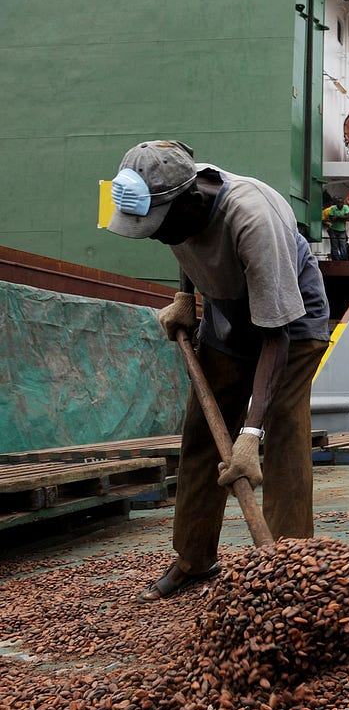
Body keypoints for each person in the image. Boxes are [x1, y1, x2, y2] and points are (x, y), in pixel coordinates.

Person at [105, 140, 330, 599]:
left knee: (284, 430)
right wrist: (186, 297)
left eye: (159, 227)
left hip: (292, 321)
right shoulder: (173, 194)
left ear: (190, 201)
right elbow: (186, 246)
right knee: (201, 436)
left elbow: (276, 336)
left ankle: (289, 566)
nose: (157, 236)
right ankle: (194, 558)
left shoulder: (252, 219)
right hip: (228, 312)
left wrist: (250, 435)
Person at [322, 194, 349, 261]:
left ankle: (344, 259)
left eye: (341, 202)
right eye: (338, 202)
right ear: (336, 203)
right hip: (333, 229)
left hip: (342, 230)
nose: (340, 204)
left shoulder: (346, 207)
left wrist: (338, 217)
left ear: (343, 203)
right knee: (334, 245)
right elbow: (331, 218)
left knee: (343, 245)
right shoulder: (333, 208)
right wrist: (342, 217)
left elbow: (348, 217)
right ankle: (336, 259)